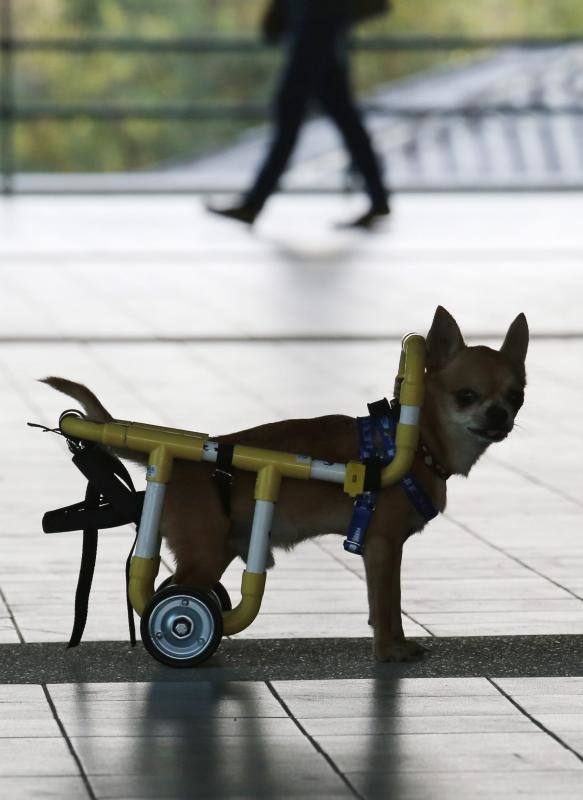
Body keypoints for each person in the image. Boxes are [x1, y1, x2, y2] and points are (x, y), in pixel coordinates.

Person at [208, 0, 391, 228]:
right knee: (343, 117)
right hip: (318, 21)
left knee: (292, 113)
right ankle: (378, 196)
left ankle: (253, 203)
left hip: (316, 22)